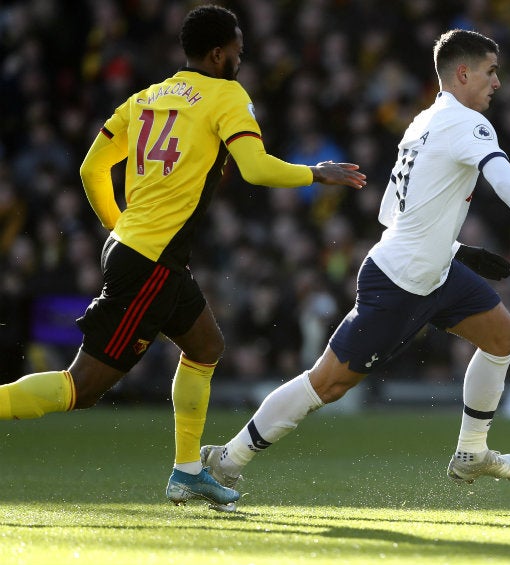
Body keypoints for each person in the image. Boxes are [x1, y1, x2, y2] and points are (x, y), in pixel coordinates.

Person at [199, 28, 510, 506]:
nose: (497, 83)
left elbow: (391, 213)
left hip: (436, 272)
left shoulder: (423, 122)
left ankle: (471, 452)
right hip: (398, 282)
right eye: (491, 72)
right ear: (462, 73)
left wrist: (456, 250)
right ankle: (229, 458)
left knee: (503, 337)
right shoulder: (467, 124)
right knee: (328, 383)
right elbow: (503, 177)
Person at [0, 5, 366, 511]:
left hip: (145, 252)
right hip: (150, 262)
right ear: (218, 54)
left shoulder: (147, 97)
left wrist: (117, 225)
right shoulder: (227, 95)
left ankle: (187, 473)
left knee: (206, 346)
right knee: (79, 388)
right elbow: (256, 169)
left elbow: (91, 169)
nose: (242, 56)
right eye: (238, 47)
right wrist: (315, 173)